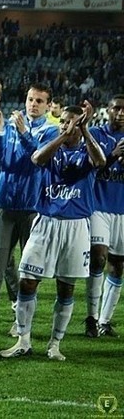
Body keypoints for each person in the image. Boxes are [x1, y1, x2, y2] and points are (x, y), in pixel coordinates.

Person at [0, 103, 105, 361]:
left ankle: (55, 344)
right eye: (63, 121)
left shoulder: (87, 149)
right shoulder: (53, 148)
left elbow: (100, 162)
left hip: (76, 226)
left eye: (71, 122)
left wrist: (85, 130)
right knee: (27, 279)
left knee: (66, 288)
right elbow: (36, 158)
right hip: (45, 222)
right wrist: (62, 136)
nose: (66, 125)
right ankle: (23, 340)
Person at [0, 83, 59, 336]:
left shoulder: (51, 131)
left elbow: (39, 159)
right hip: (5, 204)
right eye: (30, 99)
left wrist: (24, 133)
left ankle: (21, 322)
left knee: (28, 269)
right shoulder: (11, 126)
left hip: (31, 209)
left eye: (39, 101)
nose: (33, 104)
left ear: (48, 105)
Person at [85, 94, 124, 338]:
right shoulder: (98, 135)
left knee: (118, 266)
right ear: (107, 110)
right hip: (99, 206)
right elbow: (92, 165)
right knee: (98, 258)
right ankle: (91, 316)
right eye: (116, 108)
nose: (120, 113)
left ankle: (105, 320)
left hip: (122, 209)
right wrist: (112, 155)